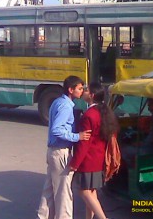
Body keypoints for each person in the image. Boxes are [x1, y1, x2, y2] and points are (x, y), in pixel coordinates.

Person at [36, 75, 92, 219]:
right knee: (63, 193)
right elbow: (57, 129)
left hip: (54, 151)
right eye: (79, 89)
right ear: (70, 89)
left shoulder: (57, 101)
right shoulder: (66, 106)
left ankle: (43, 216)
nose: (81, 91)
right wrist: (77, 136)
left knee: (49, 190)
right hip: (60, 152)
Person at [69, 82, 119, 219]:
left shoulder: (89, 115)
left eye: (86, 90)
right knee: (92, 192)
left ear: (91, 95)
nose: (83, 92)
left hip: (88, 161)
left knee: (84, 192)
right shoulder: (105, 112)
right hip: (99, 158)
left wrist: (74, 163)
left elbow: (84, 143)